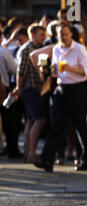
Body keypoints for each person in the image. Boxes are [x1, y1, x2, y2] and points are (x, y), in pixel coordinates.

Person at [34, 22, 87, 172]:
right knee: (55, 125)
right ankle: (47, 160)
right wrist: (49, 69)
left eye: (66, 34)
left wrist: (70, 68)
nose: (63, 37)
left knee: (80, 126)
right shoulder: (56, 49)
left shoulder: (79, 49)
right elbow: (55, 71)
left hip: (77, 89)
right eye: (61, 34)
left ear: (71, 34)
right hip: (61, 89)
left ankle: (86, 160)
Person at [11, 24, 47, 163]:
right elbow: (21, 71)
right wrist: (19, 89)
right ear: (32, 35)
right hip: (29, 89)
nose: (43, 38)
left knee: (31, 121)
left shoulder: (40, 49)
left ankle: (28, 152)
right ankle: (32, 153)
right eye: (41, 35)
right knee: (40, 120)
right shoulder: (27, 49)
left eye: (44, 35)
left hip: (38, 89)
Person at [0, 28, 21, 159]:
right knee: (10, 121)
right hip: (3, 90)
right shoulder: (3, 52)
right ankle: (12, 149)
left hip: (3, 89)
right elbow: (15, 69)